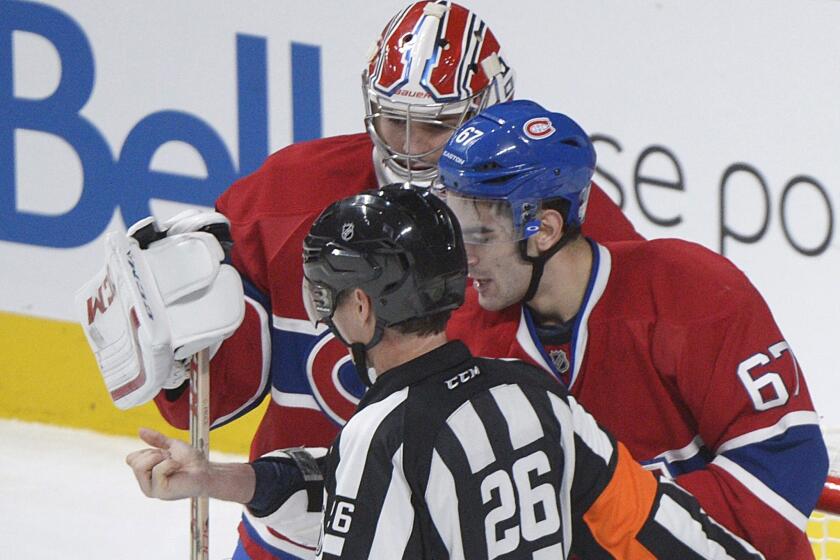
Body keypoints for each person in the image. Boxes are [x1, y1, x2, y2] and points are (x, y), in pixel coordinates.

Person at [132, 3, 640, 559]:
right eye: (393, 118)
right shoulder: (286, 195)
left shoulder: (551, 227)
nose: (409, 145)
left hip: (462, 539)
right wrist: (181, 362)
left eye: (436, 125)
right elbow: (210, 399)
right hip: (291, 536)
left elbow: (595, 429)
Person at [127, 185, 764, 560]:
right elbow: (661, 526)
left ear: (361, 305)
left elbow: (374, 488)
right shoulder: (537, 396)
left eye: (322, 293)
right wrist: (221, 479)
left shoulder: (382, 435)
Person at [436, 99, 829, 559]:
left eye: (480, 234)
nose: (464, 257)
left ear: (543, 229)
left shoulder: (690, 292)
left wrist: (603, 529)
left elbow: (785, 466)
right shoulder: (466, 336)